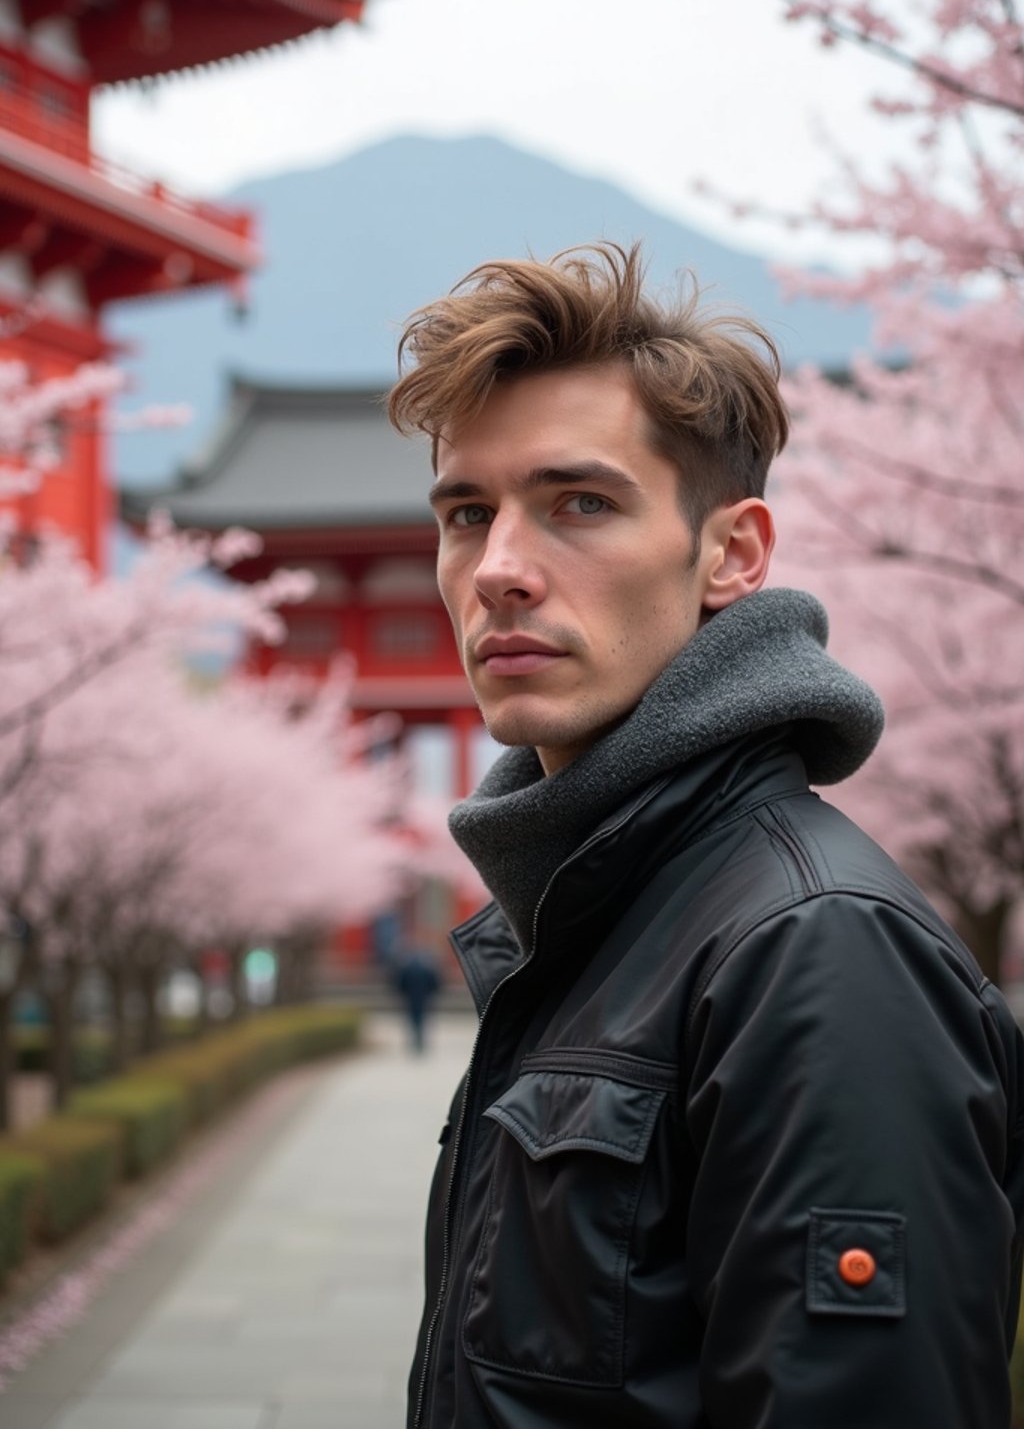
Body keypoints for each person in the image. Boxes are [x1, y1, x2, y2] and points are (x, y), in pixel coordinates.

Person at [387, 243, 1024, 1429]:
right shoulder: (594, 911)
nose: (500, 571)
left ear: (731, 554)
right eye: (467, 514)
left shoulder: (812, 949)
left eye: (580, 503)